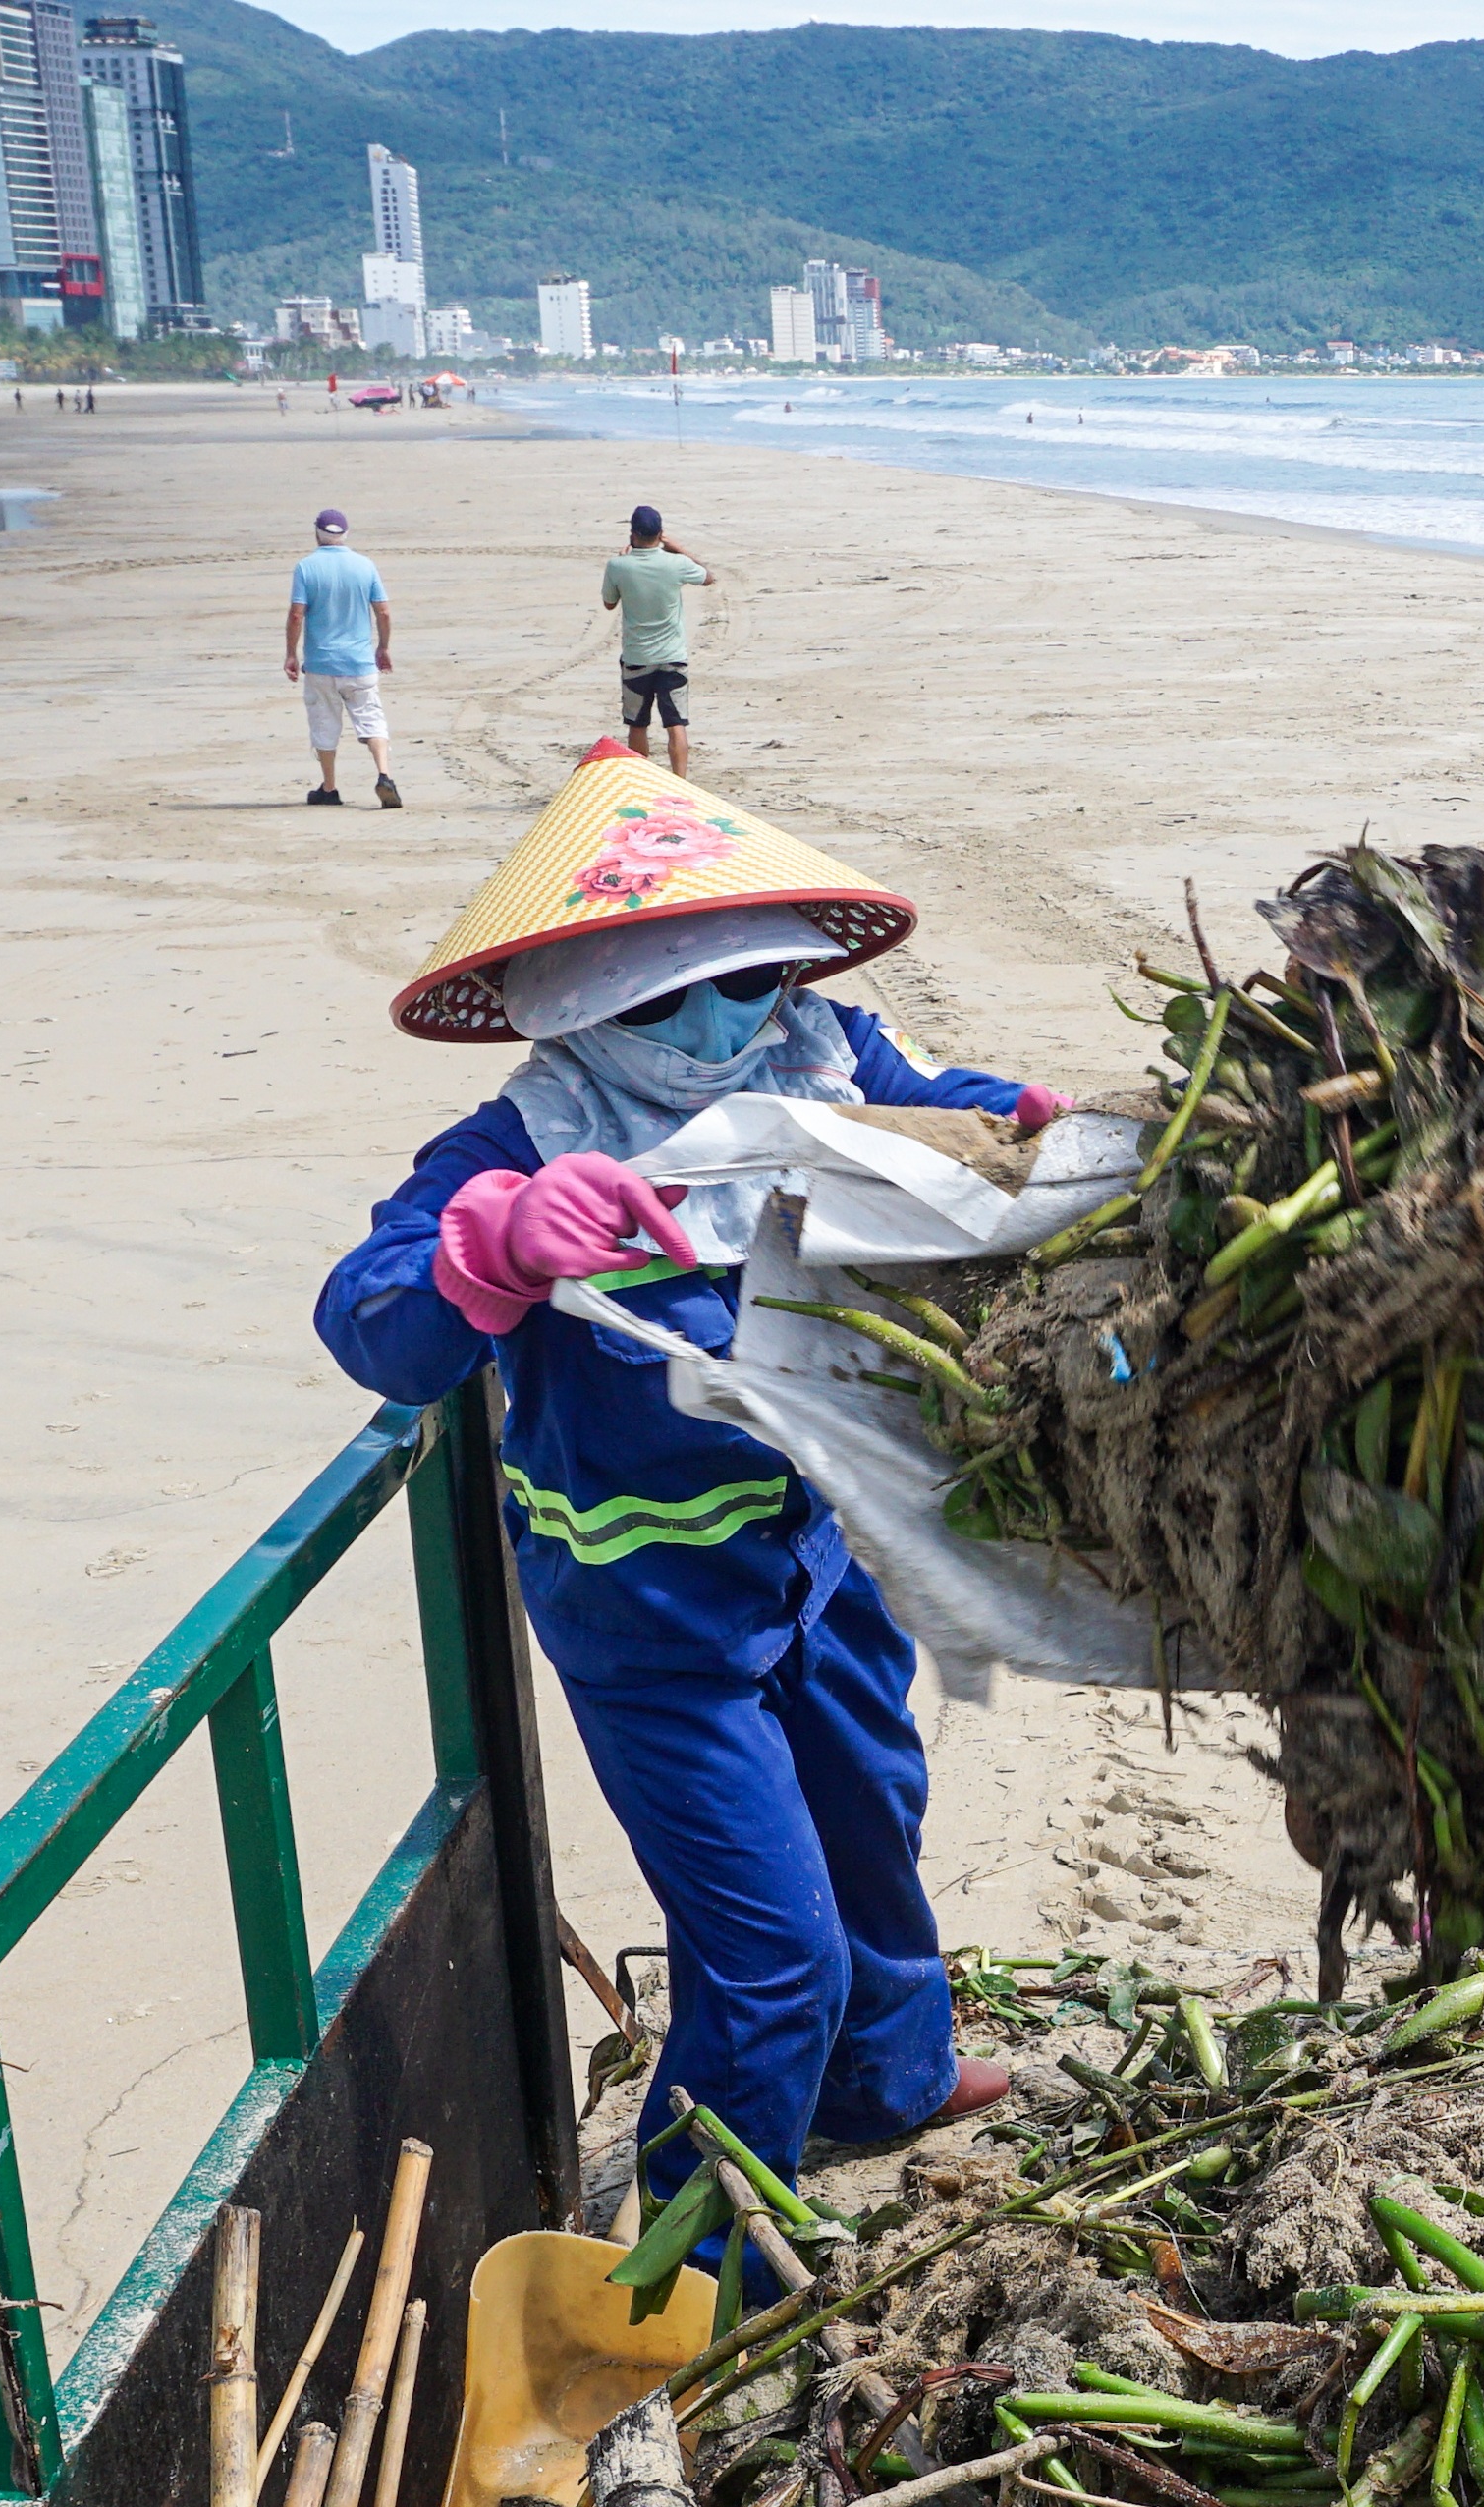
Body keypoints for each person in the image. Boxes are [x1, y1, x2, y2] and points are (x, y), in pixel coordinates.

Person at [317, 750, 1084, 2210]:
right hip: (651, 1608)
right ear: (581, 1006)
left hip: (828, 1548)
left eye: (754, 982)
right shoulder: (516, 1147)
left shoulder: (822, 1051)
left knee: (874, 1813)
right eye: (671, 998)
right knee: (769, 1945)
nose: (726, 1024)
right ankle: (698, 2240)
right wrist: (501, 1245)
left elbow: (941, 1101)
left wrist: (1024, 1116)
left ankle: (890, 2077)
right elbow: (377, 1321)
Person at [285, 508, 397, 810]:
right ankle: (384, 775)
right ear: (345, 535)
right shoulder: (365, 566)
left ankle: (330, 788)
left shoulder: (306, 567)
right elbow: (383, 611)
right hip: (359, 663)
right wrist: (384, 647)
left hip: (322, 663)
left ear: (317, 533)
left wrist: (290, 654)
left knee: (324, 724)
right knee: (371, 719)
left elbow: (297, 614)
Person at [603, 505, 713, 773]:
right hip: (672, 656)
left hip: (637, 657)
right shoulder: (675, 564)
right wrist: (679, 550)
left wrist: (622, 563)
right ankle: (680, 783)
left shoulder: (618, 566)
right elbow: (708, 577)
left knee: (637, 723)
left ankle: (644, 780)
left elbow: (609, 603)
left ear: (633, 534)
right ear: (660, 534)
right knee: (676, 722)